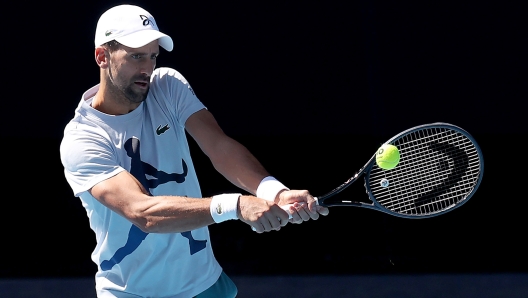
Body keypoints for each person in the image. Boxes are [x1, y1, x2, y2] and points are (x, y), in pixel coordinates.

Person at [59, 4, 329, 298]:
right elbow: (142, 212)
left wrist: (274, 191)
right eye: (136, 56)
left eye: (152, 56)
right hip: (131, 293)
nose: (147, 68)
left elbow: (218, 145)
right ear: (103, 56)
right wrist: (236, 205)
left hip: (204, 284)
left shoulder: (167, 86)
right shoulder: (82, 139)